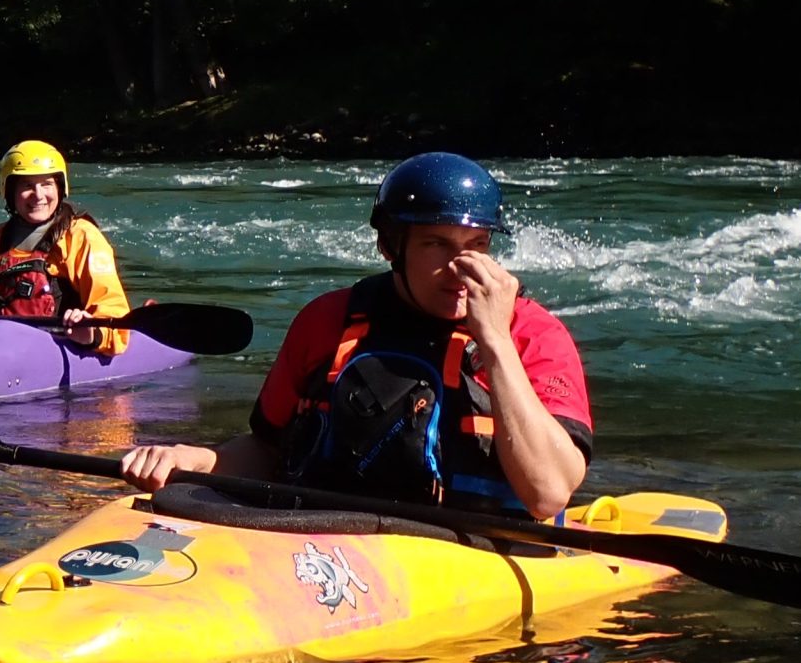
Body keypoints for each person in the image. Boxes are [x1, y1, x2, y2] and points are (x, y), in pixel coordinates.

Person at [116, 152, 593, 521]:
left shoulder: (533, 334)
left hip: (477, 550)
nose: (460, 268)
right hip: (335, 545)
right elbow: (268, 450)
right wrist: (196, 459)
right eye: (436, 244)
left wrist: (494, 341)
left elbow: (547, 495)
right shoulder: (329, 319)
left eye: (476, 246)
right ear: (390, 246)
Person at [0, 140, 132, 354]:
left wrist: (91, 334)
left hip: (67, 349)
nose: (38, 195)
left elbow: (113, 314)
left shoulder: (82, 237)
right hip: (4, 350)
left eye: (47, 184)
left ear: (60, 189)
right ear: (9, 192)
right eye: (27, 186)